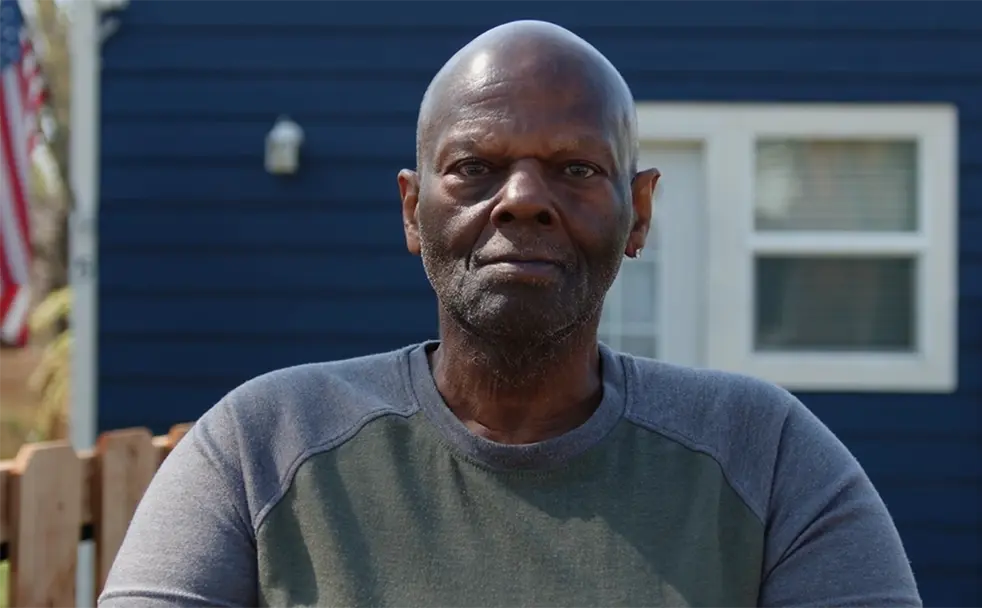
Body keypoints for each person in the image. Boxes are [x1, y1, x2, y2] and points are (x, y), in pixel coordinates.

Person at [100, 20, 922, 608]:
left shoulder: (770, 460)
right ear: (411, 210)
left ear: (639, 214)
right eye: (474, 167)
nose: (523, 200)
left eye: (574, 168)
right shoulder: (259, 448)